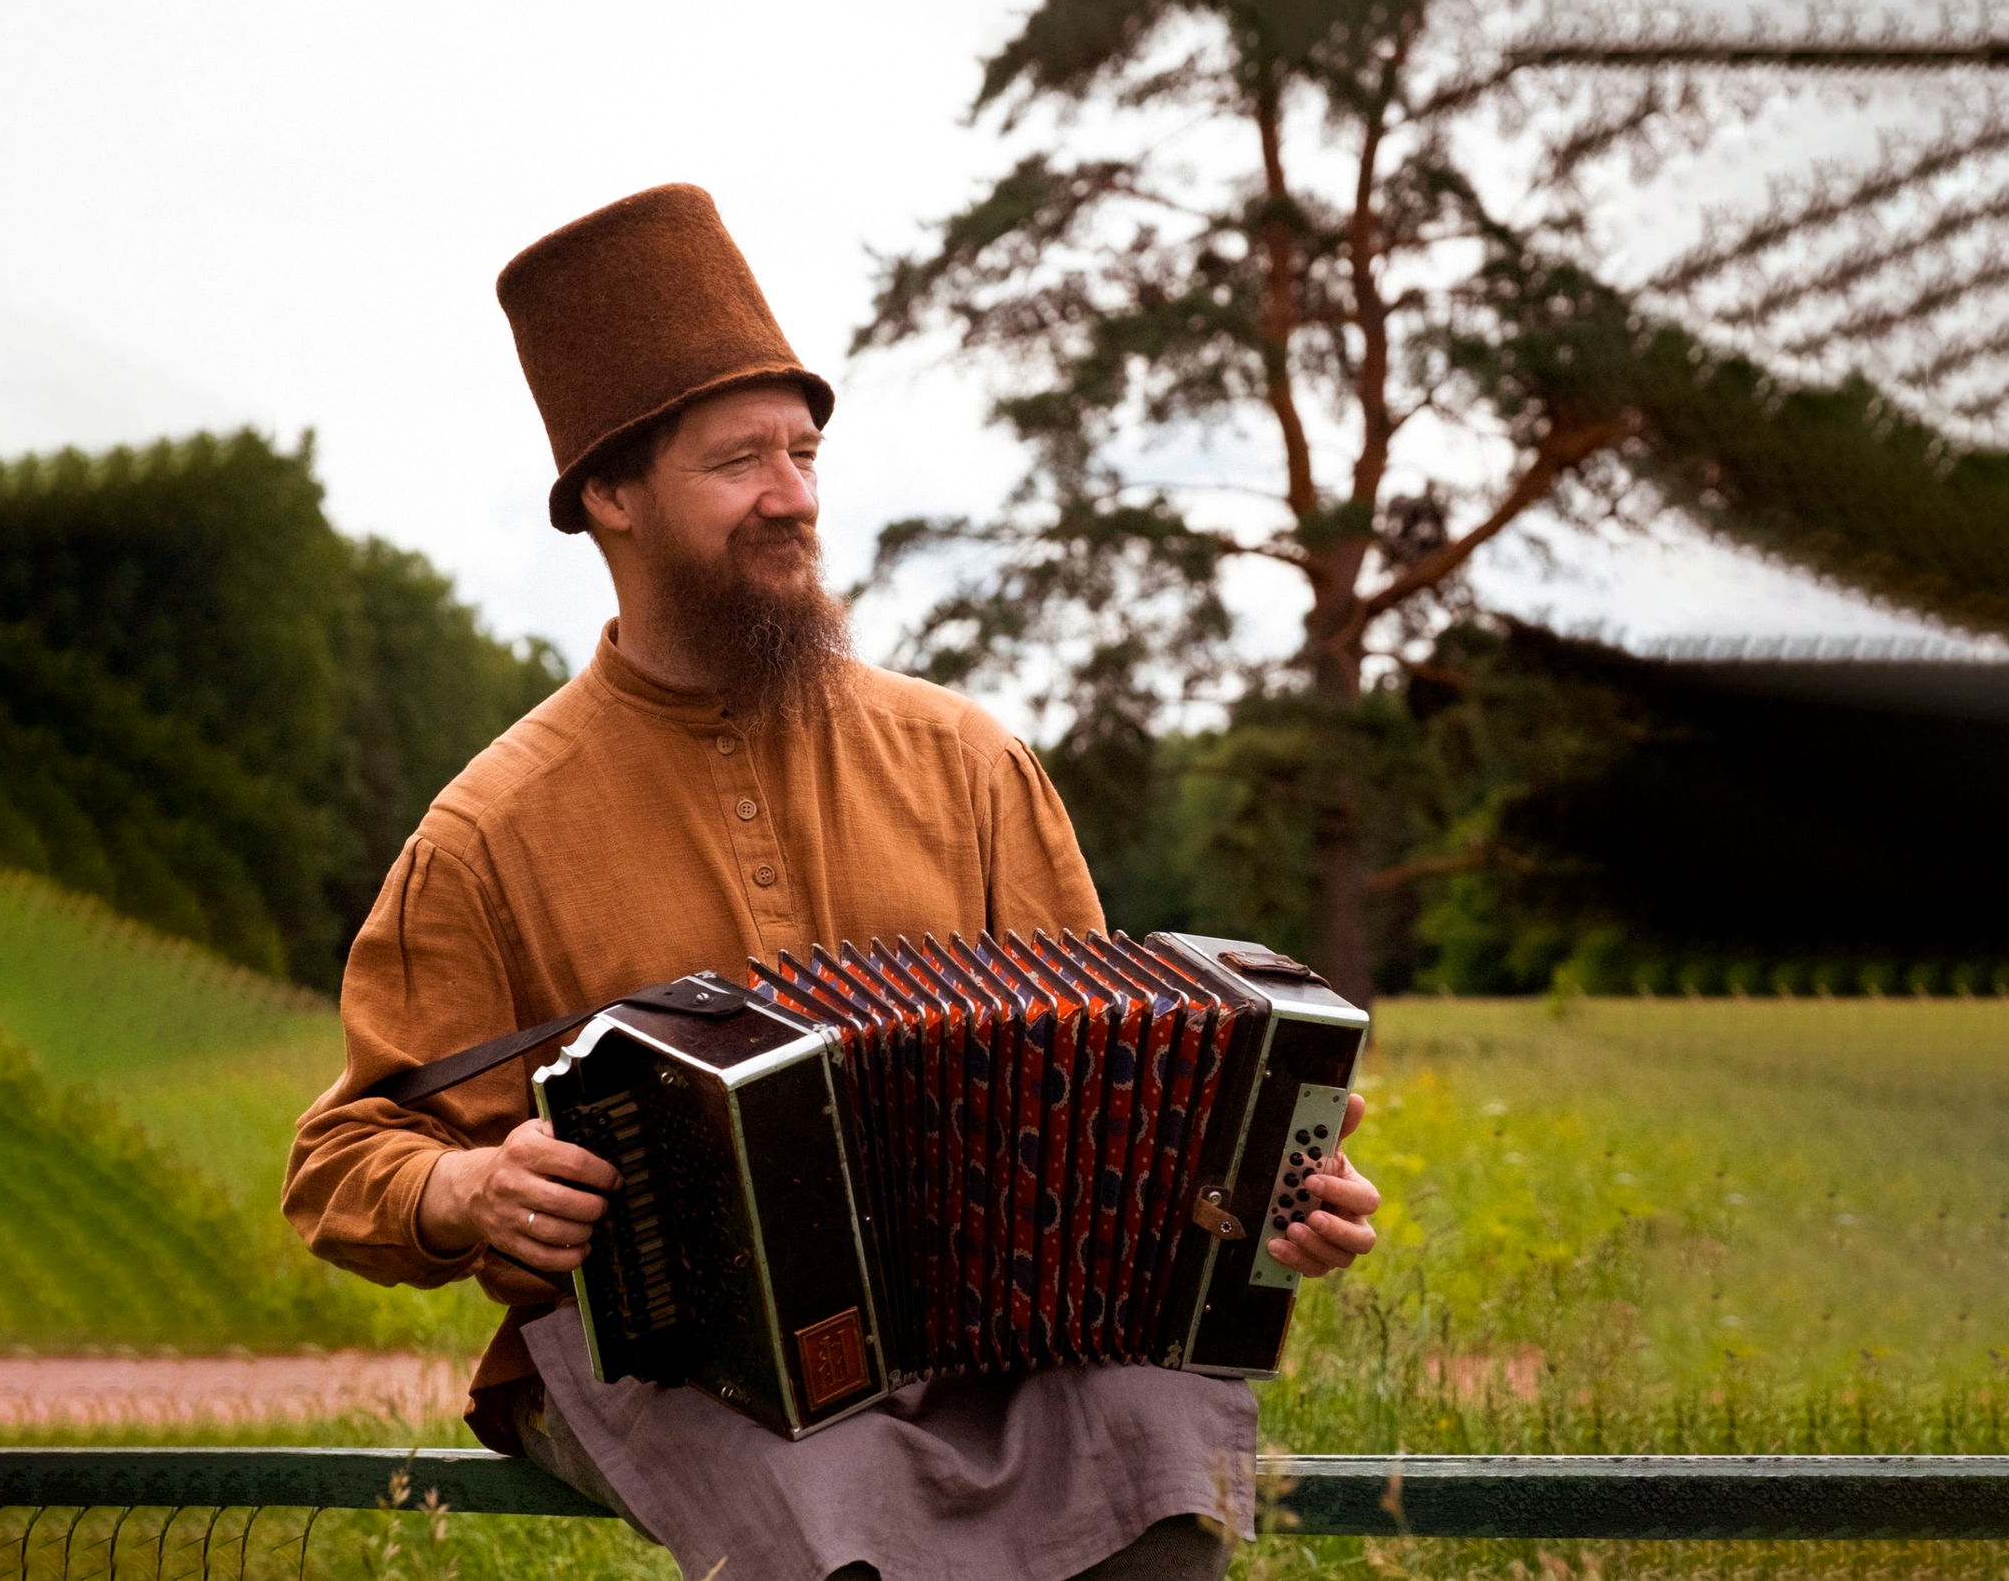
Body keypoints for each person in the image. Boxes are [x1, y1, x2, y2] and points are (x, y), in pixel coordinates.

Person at [282, 185, 1381, 1581]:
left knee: (1157, 1418)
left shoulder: (971, 763)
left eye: (802, 453)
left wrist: (1265, 1195)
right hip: (678, 1356)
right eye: (740, 461)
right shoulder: (489, 833)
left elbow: (1122, 1099)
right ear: (610, 497)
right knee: (836, 1471)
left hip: (993, 1322)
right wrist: (467, 1192)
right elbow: (343, 1161)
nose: (793, 496)